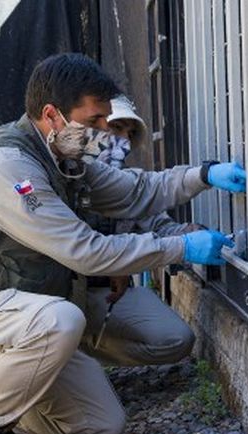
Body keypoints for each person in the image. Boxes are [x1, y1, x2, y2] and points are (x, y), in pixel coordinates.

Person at [0, 53, 247, 434]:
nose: (102, 132)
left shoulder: (64, 160)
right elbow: (86, 253)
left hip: (25, 318)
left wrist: (205, 174)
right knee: (61, 321)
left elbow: (139, 191)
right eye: (94, 120)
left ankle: (5, 392)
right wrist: (181, 247)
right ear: (52, 115)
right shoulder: (6, 167)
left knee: (101, 428)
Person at [78, 95, 205, 365]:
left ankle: (86, 356)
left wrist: (193, 235)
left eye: (130, 133)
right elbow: (70, 247)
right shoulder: (63, 176)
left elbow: (158, 223)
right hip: (55, 294)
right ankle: (66, 359)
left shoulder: (123, 182)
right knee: (56, 325)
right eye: (116, 128)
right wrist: (117, 261)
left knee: (176, 339)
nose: (123, 140)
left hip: (100, 295)